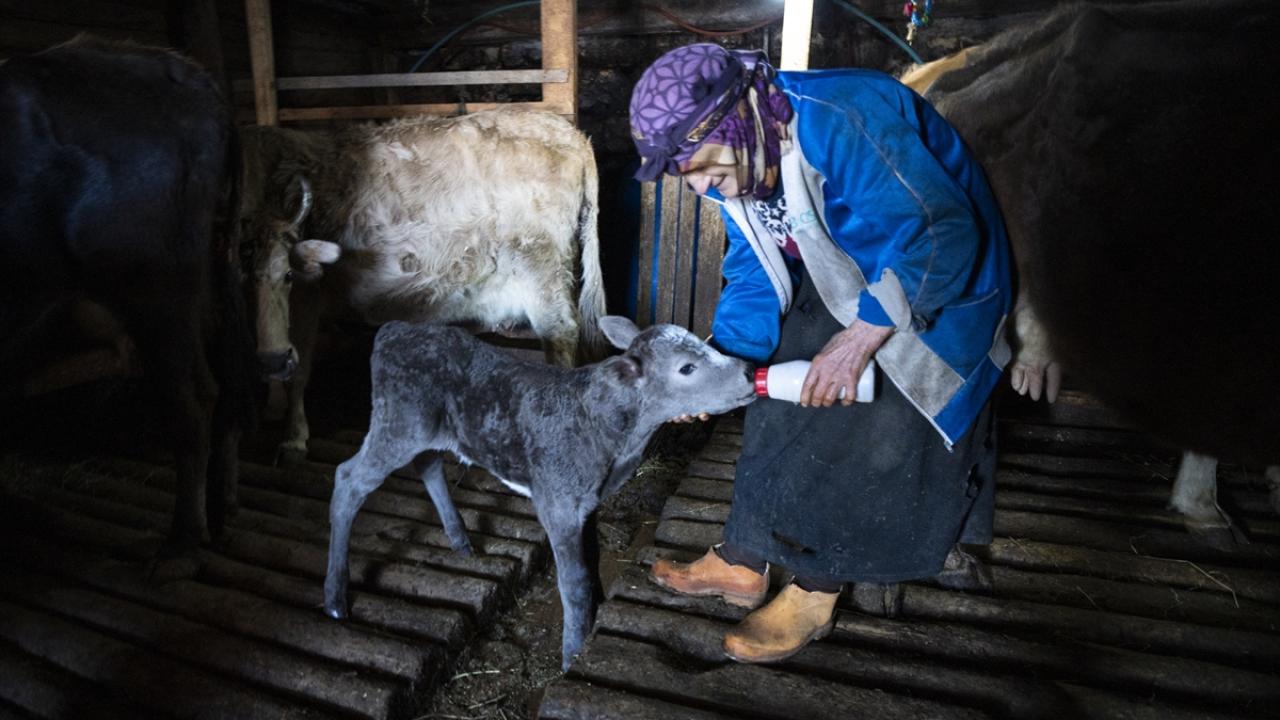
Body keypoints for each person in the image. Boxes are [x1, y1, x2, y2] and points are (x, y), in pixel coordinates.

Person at [629, 43, 1012, 663]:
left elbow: (944, 235)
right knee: (774, 373)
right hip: (842, 280)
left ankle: (816, 586)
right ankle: (746, 556)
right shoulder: (746, 156)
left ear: (736, 122)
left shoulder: (841, 117)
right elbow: (755, 272)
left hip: (938, 286)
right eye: (686, 174)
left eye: (702, 166)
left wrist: (861, 337)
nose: (699, 186)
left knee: (862, 402)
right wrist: (721, 367)